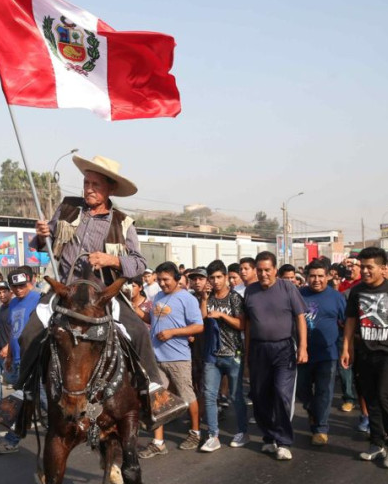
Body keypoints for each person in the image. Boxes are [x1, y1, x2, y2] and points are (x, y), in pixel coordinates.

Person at [23, 155, 158, 404]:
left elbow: (139, 263)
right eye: (86, 183)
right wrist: (42, 234)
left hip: (103, 294)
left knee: (139, 332)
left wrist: (113, 261)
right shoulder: (67, 208)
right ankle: (23, 394)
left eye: (96, 185)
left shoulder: (123, 222)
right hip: (65, 289)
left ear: (111, 188)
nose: (89, 189)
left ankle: (153, 391)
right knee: (29, 333)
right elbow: (46, 241)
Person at [341, 247, 388, 469]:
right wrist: (347, 349)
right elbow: (351, 322)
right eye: (361, 267)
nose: (364, 271)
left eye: (369, 267)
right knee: (370, 399)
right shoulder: (356, 292)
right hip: (364, 353)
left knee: (385, 396)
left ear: (383, 269)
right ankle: (376, 442)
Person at [242, 251, 308, 461]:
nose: (263, 274)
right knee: (260, 396)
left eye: (267, 270)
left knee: (281, 393)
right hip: (258, 350)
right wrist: (247, 353)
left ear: (275, 271)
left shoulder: (288, 288)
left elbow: (300, 318)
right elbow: (249, 324)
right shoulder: (250, 291)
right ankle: (269, 437)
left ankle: (283, 441)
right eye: (259, 270)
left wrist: (303, 347)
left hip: (284, 349)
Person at [138, 261, 204, 457]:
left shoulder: (187, 299)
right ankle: (158, 442)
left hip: (178, 358)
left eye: (165, 280)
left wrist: (172, 333)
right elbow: (151, 319)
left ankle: (195, 432)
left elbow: (198, 326)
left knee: (187, 395)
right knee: (158, 398)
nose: (162, 284)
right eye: (159, 280)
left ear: (176, 279)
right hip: (156, 357)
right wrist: (136, 311)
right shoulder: (158, 296)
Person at [0, 267, 42, 454]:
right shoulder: (12, 304)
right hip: (19, 358)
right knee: (31, 400)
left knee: (30, 398)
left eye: (22, 285)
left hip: (35, 359)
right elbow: (14, 331)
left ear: (31, 281)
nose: (19, 289)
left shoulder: (39, 300)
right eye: (15, 286)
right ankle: (12, 440)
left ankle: (11, 440)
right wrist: (11, 354)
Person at [199, 259, 248, 451]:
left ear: (226, 277)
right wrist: (204, 299)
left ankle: (243, 432)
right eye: (212, 277)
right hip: (212, 355)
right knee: (210, 395)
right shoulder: (208, 298)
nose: (216, 281)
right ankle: (213, 436)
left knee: (236, 396)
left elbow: (241, 325)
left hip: (233, 354)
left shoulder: (235, 298)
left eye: (219, 277)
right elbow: (201, 320)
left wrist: (222, 315)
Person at [298, 260, 346, 446]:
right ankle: (313, 410)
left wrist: (345, 348)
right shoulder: (299, 294)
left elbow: (345, 323)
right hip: (303, 353)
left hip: (328, 354)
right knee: (302, 390)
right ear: (307, 277)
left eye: (320, 276)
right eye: (312, 276)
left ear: (328, 276)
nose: (316, 280)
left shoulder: (337, 297)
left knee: (324, 392)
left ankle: (321, 429)